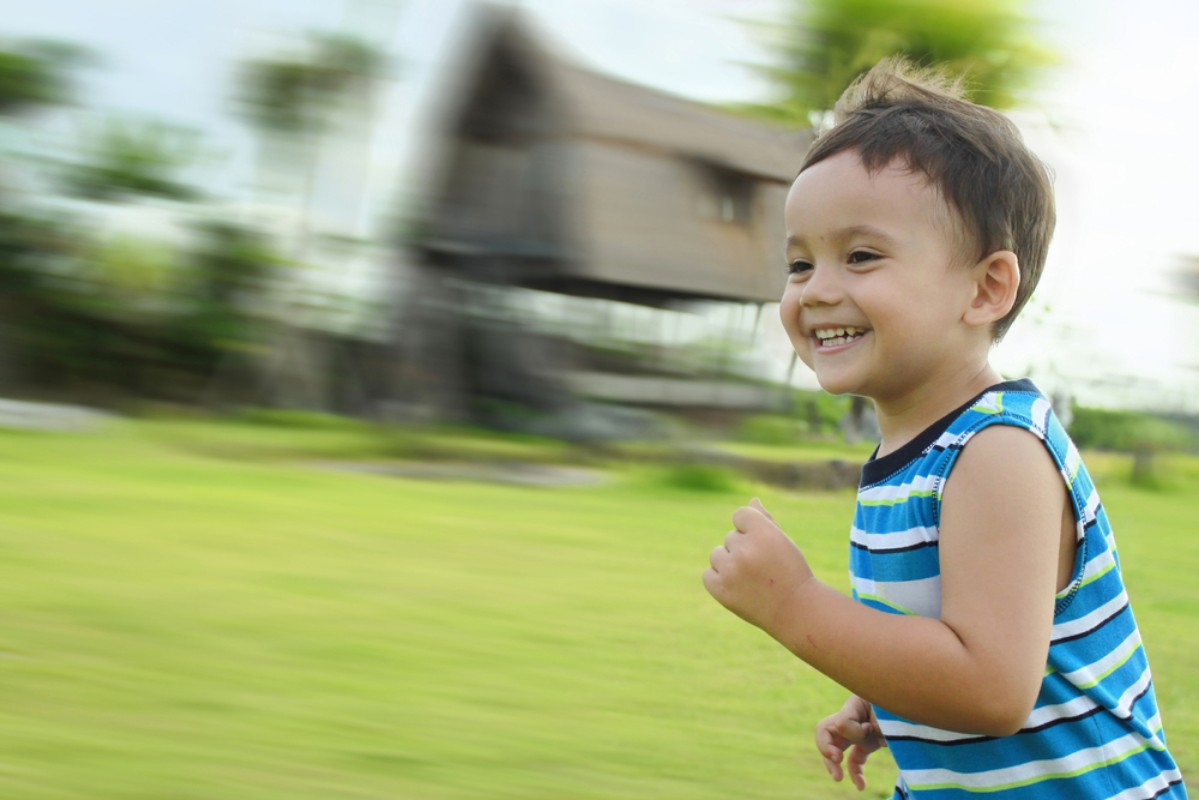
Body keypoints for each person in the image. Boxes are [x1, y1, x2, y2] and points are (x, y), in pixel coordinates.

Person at [702, 57, 1187, 799]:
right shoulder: (912, 453)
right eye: (799, 264)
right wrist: (882, 699)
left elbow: (990, 688)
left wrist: (794, 604)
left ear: (986, 287)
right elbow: (949, 626)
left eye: (860, 256)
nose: (818, 289)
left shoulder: (996, 452)